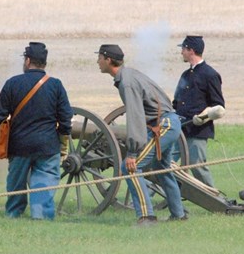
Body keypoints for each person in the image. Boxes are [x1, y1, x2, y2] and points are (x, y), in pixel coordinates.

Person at [96, 44, 186, 225]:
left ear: (108, 59)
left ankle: (146, 216)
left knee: (130, 167)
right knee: (163, 169)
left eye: (99, 57)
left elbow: (135, 116)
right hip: (168, 123)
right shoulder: (129, 74)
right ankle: (179, 215)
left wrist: (131, 153)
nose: (97, 61)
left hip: (162, 125)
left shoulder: (126, 82)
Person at [0, 42, 73, 220]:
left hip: (19, 146)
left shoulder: (12, 83)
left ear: (27, 61)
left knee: (16, 185)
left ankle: (13, 214)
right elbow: (66, 119)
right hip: (47, 146)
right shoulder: (56, 85)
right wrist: (63, 145)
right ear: (44, 62)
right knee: (44, 184)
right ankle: (41, 217)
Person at [172, 35, 225, 188]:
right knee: (164, 161)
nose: (181, 52)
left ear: (191, 50)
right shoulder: (186, 75)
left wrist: (202, 117)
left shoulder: (210, 74)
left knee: (197, 166)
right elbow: (176, 102)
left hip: (197, 130)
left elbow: (219, 106)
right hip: (180, 129)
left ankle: (212, 196)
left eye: (183, 49)